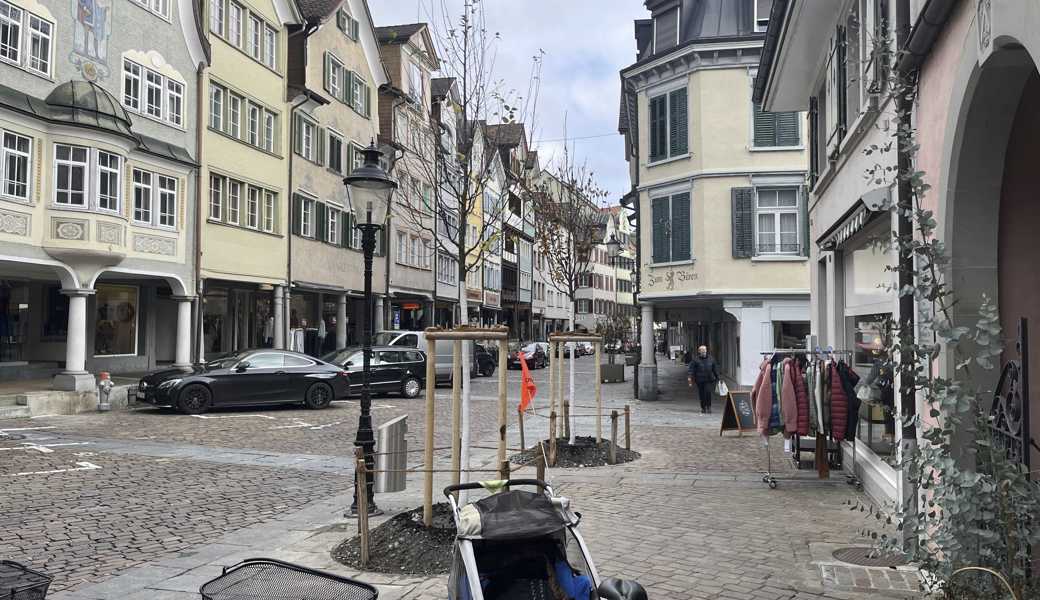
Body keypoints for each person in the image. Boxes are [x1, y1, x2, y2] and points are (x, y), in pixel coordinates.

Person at [687, 345, 720, 414]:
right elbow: (691, 369)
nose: (704, 352)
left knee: (708, 392)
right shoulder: (695, 360)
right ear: (699, 352)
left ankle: (709, 407)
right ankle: (703, 407)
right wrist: (690, 377)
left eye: (705, 351)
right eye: (702, 351)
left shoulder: (711, 359)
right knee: (702, 394)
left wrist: (718, 378)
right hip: (699, 380)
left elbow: (715, 369)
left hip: (709, 379)